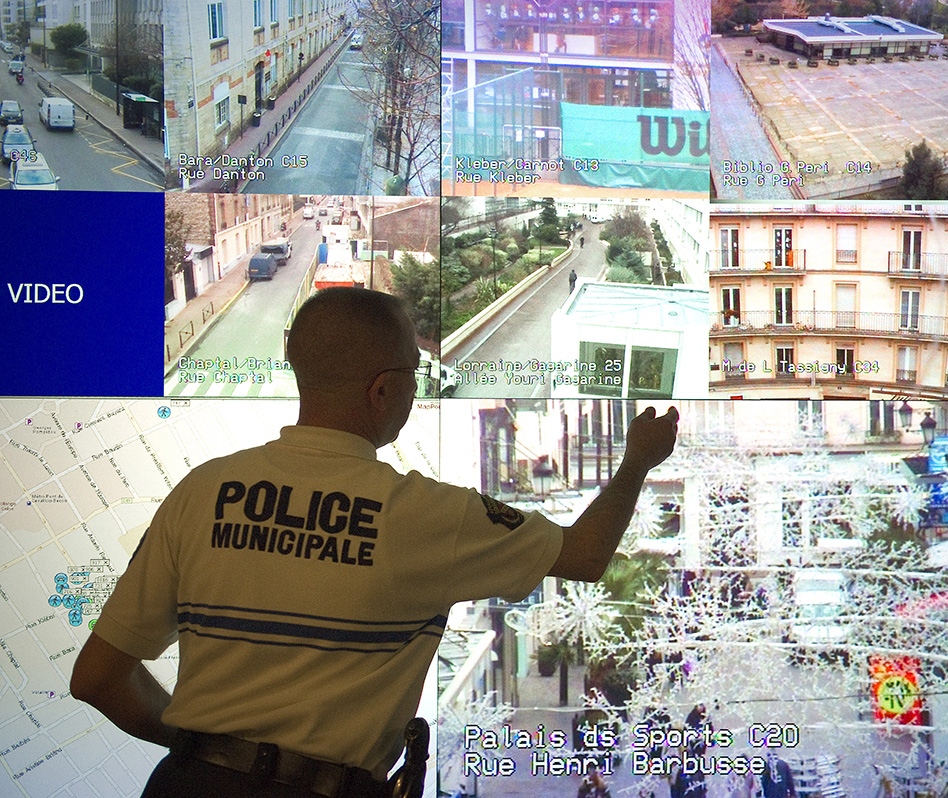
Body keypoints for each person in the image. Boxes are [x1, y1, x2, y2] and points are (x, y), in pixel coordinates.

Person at [70, 288, 679, 798]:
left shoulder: (200, 492)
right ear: (382, 390)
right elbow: (586, 554)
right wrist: (636, 462)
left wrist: (200, 746)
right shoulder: (427, 515)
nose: (417, 392)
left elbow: (97, 678)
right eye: (415, 375)